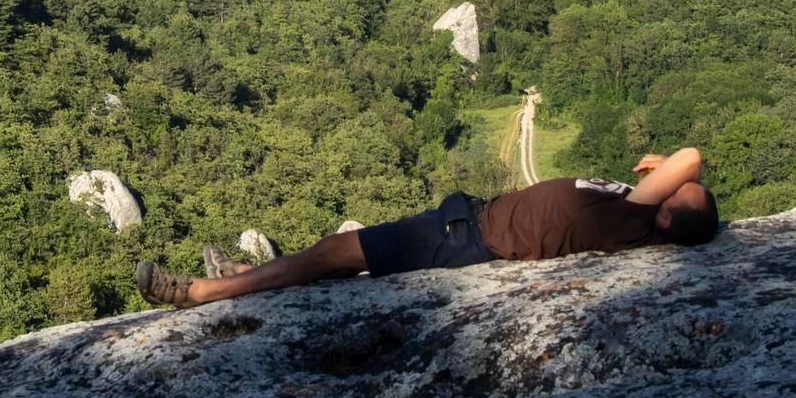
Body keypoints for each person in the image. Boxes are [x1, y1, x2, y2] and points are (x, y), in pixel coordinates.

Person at [136, 147, 718, 308]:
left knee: (335, 252)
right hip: (467, 218)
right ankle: (250, 275)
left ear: (667, 211)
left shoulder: (635, 218)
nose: (665, 177)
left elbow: (690, 156)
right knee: (337, 256)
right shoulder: (638, 211)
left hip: (466, 241)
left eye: (673, 188)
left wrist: (668, 162)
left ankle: (201, 292)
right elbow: (685, 174)